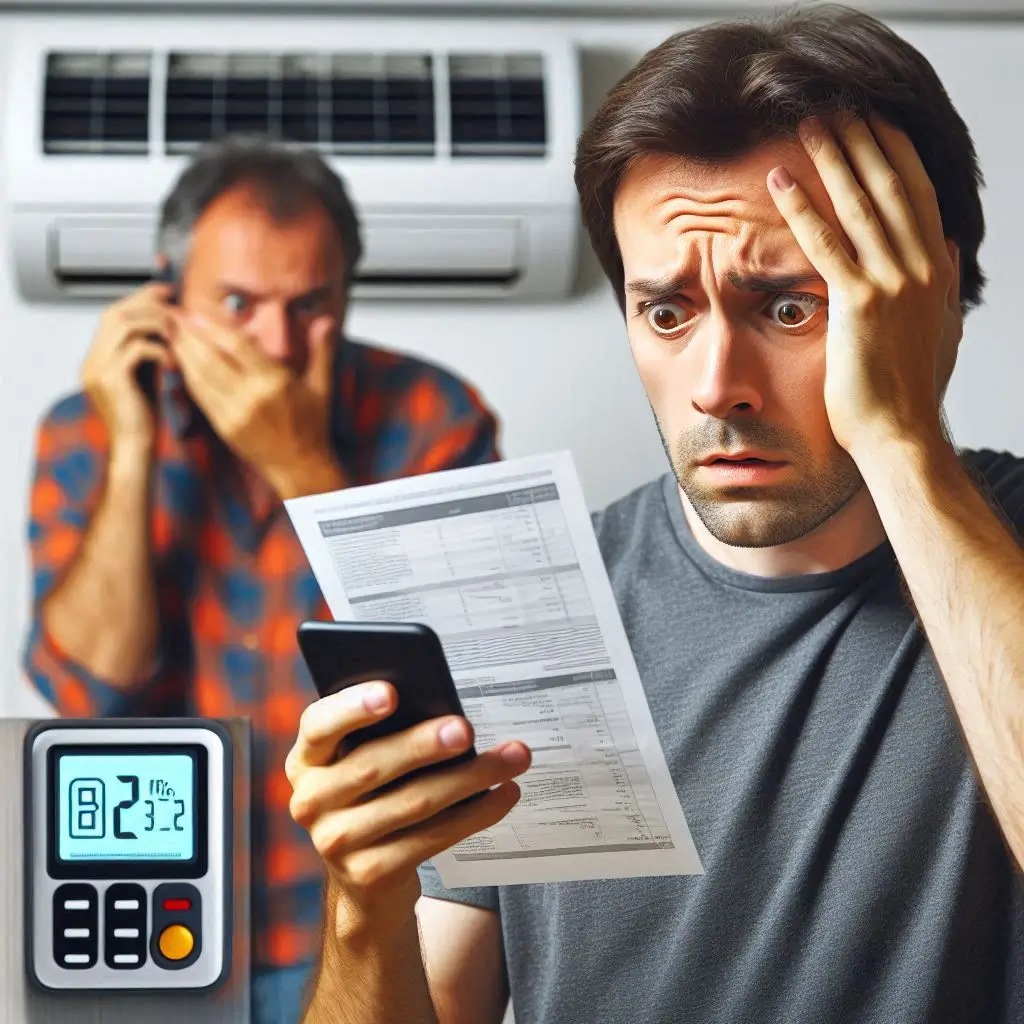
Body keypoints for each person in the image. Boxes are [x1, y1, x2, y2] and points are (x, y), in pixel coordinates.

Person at [286, 5, 1024, 1024]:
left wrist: (897, 440)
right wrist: (362, 906)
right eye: (666, 311)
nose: (716, 385)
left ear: (927, 291)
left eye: (789, 305)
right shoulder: (526, 610)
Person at [22, 138, 501, 1023]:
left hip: (351, 922)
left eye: (310, 305)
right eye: (238, 304)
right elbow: (85, 693)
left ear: (347, 291)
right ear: (167, 292)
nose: (276, 346)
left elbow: (462, 701)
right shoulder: (82, 430)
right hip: (153, 917)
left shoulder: (436, 418)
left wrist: (303, 466)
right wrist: (133, 449)